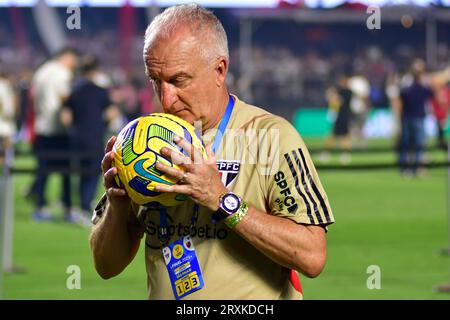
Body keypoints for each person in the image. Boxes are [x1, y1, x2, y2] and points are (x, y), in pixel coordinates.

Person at [90, 4, 334, 300]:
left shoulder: (270, 137)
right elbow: (105, 266)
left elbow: (312, 256)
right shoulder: (142, 143)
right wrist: (117, 206)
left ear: (219, 70)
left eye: (179, 80)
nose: (166, 98)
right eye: (156, 81)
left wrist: (221, 199)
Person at [63, 55, 117, 223]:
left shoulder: (74, 90)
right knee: (93, 172)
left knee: (78, 172)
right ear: (96, 71)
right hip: (94, 137)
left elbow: (66, 116)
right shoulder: (101, 91)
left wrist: (72, 129)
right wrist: (103, 124)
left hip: (77, 138)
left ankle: (78, 206)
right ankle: (85, 206)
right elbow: (111, 113)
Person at [31, 47, 78, 222]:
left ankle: (40, 206)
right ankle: (67, 207)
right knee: (66, 172)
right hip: (58, 130)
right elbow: (64, 99)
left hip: (42, 128)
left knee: (43, 170)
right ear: (67, 57)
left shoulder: (41, 71)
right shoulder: (62, 74)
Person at [398, 61, 434, 177]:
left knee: (406, 144)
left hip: (407, 118)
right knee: (419, 144)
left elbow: (400, 98)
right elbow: (432, 94)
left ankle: (405, 168)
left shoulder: (406, 90)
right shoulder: (423, 89)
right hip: (419, 118)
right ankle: (418, 167)